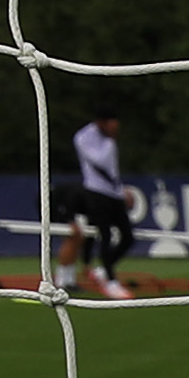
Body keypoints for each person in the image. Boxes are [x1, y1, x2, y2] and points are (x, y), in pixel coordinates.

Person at [61, 107, 139, 301]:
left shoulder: (108, 138)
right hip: (95, 192)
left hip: (113, 193)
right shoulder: (84, 138)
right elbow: (100, 163)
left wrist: (121, 190)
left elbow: (113, 172)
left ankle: (103, 269)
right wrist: (110, 141)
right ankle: (111, 282)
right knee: (105, 235)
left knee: (128, 237)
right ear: (101, 123)